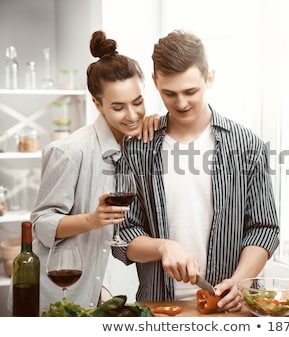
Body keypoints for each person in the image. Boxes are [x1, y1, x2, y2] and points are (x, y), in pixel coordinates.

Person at [112, 30, 280, 312]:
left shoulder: (246, 144)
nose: (181, 103)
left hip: (232, 309)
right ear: (155, 83)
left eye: (191, 91)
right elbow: (124, 234)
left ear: (209, 78)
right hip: (159, 308)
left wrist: (240, 282)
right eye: (169, 93)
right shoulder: (137, 148)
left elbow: (263, 229)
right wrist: (162, 246)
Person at [23, 30, 158, 313]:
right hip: (63, 292)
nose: (133, 115)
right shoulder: (70, 152)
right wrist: (91, 220)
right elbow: (41, 223)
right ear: (97, 104)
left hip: (108, 290)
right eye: (118, 107)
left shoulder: (139, 145)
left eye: (138, 102)